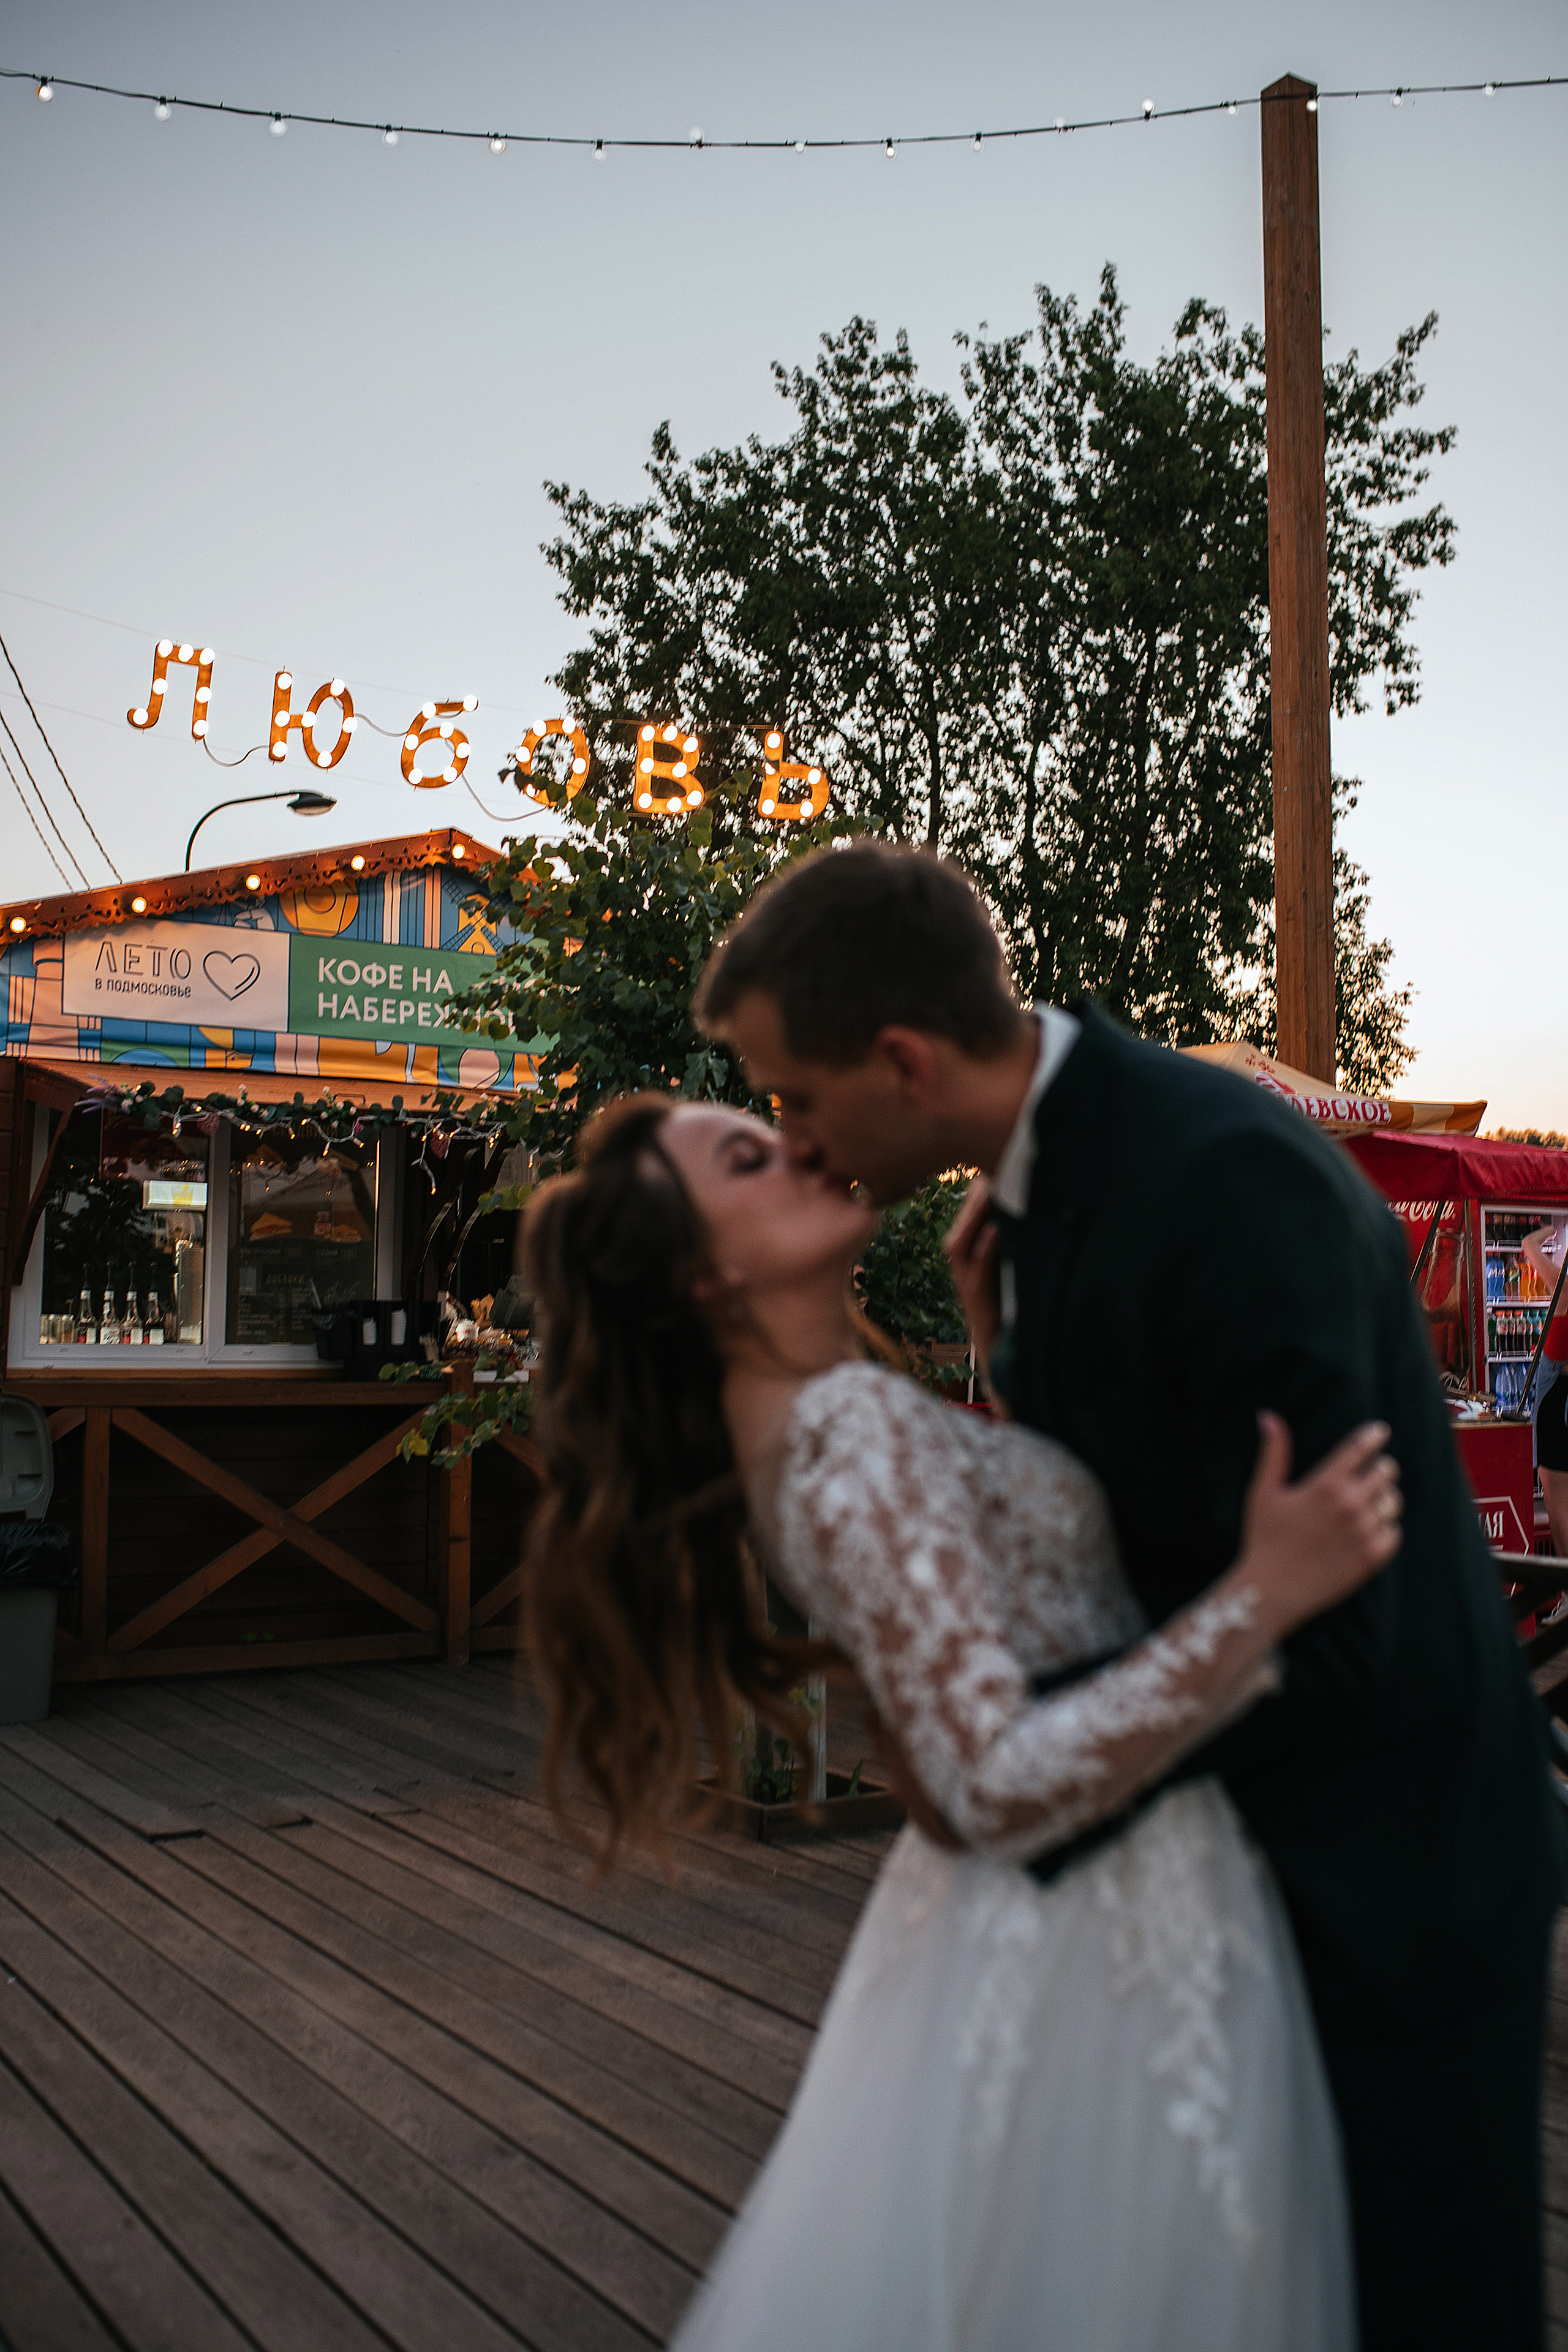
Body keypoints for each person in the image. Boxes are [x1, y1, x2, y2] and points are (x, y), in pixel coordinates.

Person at [693, 839, 1565, 2352]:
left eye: (795, 1095)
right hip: (1222, 1882)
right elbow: (1143, 1519)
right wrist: (1015, 1360)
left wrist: (1013, 1767)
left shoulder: (1216, 1176)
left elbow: (1333, 1619)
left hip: (1381, 1872)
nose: (793, 1131)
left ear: (900, 1059)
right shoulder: (1033, 1203)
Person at [522, 1091, 1403, 2350]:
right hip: (1092, 1937)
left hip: (1044, 1930)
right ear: (704, 1272)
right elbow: (987, 1777)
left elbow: (1001, 1615)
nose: (801, 1146)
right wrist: (1264, 1596)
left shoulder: (816, 1422)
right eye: (747, 1155)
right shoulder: (850, 1432)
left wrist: (1006, 1354)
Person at [1523, 1221, 1568, 1560]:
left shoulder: (1564, 1289)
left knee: (1557, 1502)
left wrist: (1548, 1229)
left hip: (1558, 1397)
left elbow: (1528, 1246)